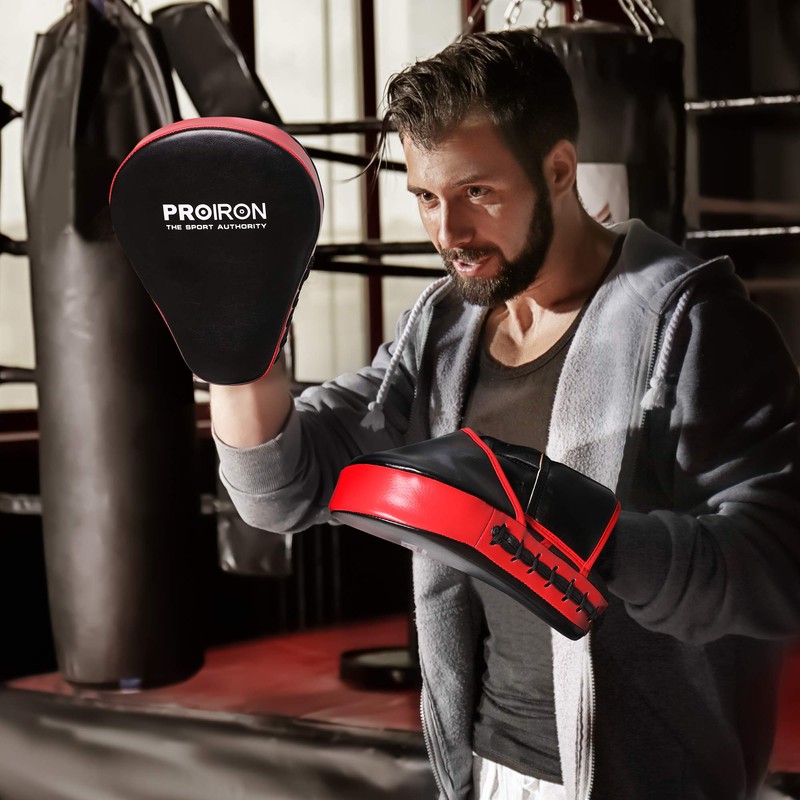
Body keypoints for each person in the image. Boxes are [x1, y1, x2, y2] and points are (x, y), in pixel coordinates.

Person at [210, 30, 800, 800]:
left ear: (559, 170)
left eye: (477, 192)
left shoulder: (691, 326)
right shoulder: (442, 330)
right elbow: (282, 492)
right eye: (427, 197)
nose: (449, 234)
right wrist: (235, 346)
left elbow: (779, 561)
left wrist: (585, 537)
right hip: (487, 766)